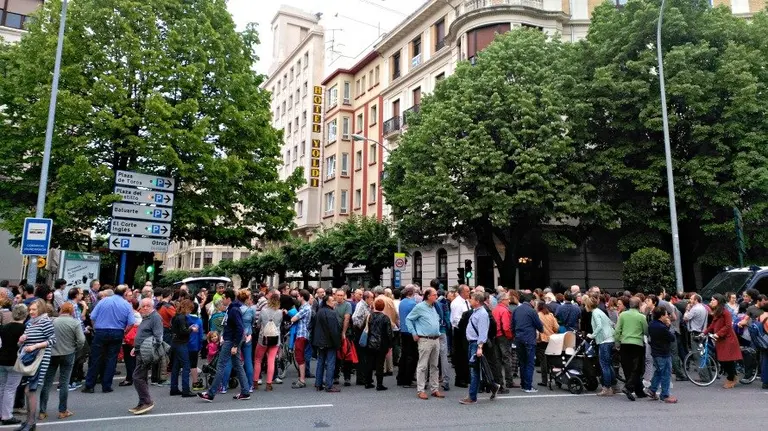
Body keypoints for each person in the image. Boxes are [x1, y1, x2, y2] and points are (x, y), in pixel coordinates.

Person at [198, 289, 250, 401]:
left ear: (228, 298)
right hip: (231, 340)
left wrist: (235, 345)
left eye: (223, 298)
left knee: (220, 365)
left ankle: (211, 393)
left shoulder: (233, 310)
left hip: (231, 341)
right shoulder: (231, 309)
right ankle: (245, 391)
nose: (222, 300)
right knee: (237, 365)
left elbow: (239, 328)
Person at [82, 285, 135, 394]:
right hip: (117, 331)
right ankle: (106, 386)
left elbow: (93, 317)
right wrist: (124, 331)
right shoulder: (126, 305)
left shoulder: (103, 301)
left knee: (96, 358)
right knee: (111, 359)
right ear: (125, 294)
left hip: (101, 331)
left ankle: (89, 385)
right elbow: (131, 323)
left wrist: (96, 328)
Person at [39, 302, 85, 420]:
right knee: (64, 383)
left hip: (52, 353)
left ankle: (42, 411)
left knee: (47, 382)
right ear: (72, 311)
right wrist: (75, 348)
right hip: (68, 353)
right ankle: (62, 410)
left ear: (61, 310)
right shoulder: (75, 323)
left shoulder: (52, 321)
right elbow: (81, 340)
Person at [18, 299, 56, 431]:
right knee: (28, 390)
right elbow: (24, 341)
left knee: (30, 390)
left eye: (34, 309)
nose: (31, 312)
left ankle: (30, 422)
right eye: (30, 309)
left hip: (39, 360)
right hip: (30, 360)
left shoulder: (45, 322)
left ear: (41, 309)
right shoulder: (31, 323)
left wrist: (35, 346)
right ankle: (29, 421)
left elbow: (52, 340)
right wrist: (22, 339)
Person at [405, 287, 443, 400]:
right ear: (428, 296)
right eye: (434, 295)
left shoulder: (433, 307)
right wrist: (413, 333)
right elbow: (408, 319)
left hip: (435, 339)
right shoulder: (419, 307)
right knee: (423, 366)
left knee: (434, 366)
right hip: (425, 339)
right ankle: (420, 390)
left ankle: (434, 388)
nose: (436, 296)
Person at [460, 292, 496, 405]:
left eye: (472, 299)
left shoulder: (482, 314)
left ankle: (472, 397)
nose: (470, 301)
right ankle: (493, 385)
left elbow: (483, 332)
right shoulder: (477, 312)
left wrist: (480, 346)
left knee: (474, 371)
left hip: (476, 344)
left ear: (477, 301)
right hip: (472, 343)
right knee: (476, 369)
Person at [129, 298, 163, 415]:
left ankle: (147, 401)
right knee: (142, 377)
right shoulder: (146, 317)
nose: (145, 308)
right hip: (140, 350)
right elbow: (143, 334)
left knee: (137, 377)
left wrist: (146, 349)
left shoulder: (155, 317)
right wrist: (135, 347)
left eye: (147, 306)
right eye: (143, 306)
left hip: (146, 351)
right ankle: (142, 402)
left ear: (152, 306)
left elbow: (158, 338)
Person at [704, 294, 743, 389]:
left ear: (719, 301)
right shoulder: (717, 312)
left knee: (727, 360)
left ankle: (731, 378)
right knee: (722, 360)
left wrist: (718, 334)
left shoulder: (726, 312)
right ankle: (732, 376)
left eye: (713, 300)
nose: (711, 301)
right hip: (720, 339)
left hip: (728, 339)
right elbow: (712, 325)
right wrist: (704, 332)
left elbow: (728, 326)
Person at [614, 297, 648, 401]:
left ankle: (638, 390)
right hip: (637, 344)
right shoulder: (642, 317)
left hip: (625, 343)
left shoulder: (623, 315)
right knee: (637, 368)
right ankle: (629, 387)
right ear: (639, 305)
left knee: (627, 367)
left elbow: (617, 330)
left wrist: (617, 342)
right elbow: (646, 331)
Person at [0, 305, 28, 425]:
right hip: (15, 361)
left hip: (2, 359)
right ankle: (6, 415)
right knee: (11, 388)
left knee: (2, 387)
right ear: (25, 315)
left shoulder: (4, 327)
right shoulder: (25, 329)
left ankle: (2, 413)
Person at [511, 293, 543, 393]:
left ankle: (523, 384)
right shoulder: (532, 311)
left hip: (518, 338)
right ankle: (528, 386)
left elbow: (512, 325)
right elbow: (539, 326)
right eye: (534, 301)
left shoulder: (516, 310)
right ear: (531, 301)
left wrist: (515, 335)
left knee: (522, 362)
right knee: (529, 363)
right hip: (529, 339)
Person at [645, 306, 678, 403]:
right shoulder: (662, 327)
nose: (667, 316)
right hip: (663, 353)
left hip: (655, 351)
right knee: (666, 374)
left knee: (659, 372)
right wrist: (669, 325)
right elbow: (672, 338)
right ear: (661, 316)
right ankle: (665, 395)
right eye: (666, 314)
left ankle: (652, 389)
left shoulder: (651, 324)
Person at [585, 296, 616, 396]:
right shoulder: (600, 311)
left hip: (604, 341)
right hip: (610, 338)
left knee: (604, 365)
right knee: (609, 364)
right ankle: (612, 385)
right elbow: (611, 323)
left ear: (588, 305)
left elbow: (599, 326)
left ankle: (607, 387)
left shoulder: (594, 313)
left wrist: (592, 335)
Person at [254, 290, 283, 391]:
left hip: (263, 338)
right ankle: (269, 384)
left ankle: (255, 382)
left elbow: (258, 324)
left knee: (258, 360)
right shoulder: (280, 312)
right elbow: (279, 324)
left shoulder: (264, 311)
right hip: (275, 338)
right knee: (271, 360)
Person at [311, 295, 341, 392]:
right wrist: (337, 343)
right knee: (330, 363)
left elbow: (313, 326)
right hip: (329, 342)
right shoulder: (332, 313)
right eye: (332, 300)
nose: (334, 302)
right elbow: (334, 330)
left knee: (320, 362)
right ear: (327, 302)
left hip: (319, 341)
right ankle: (329, 385)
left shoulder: (319, 312)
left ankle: (318, 384)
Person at [170, 299, 197, 397]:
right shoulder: (182, 318)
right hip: (181, 343)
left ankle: (174, 388)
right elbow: (183, 331)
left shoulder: (176, 316)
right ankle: (186, 390)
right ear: (186, 308)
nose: (190, 312)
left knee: (176, 366)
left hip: (175, 343)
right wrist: (191, 329)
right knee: (186, 366)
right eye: (190, 309)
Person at [366, 298, 394, 391]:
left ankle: (368, 382)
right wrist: (390, 344)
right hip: (381, 344)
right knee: (380, 364)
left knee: (369, 363)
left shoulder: (370, 316)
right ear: (383, 307)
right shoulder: (385, 318)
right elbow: (389, 333)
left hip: (370, 342)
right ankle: (379, 384)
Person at [492, 293, 516, 389]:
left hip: (496, 336)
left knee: (497, 359)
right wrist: (510, 336)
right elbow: (506, 327)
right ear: (502, 300)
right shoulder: (504, 311)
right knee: (507, 359)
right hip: (503, 336)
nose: (509, 301)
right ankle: (509, 381)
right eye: (507, 299)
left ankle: (499, 381)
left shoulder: (495, 309)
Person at [289, 290, 312, 389]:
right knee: (300, 356)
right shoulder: (304, 307)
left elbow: (294, 318)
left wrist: (291, 314)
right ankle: (300, 378)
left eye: (298, 296)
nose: (297, 298)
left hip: (301, 334)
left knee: (299, 357)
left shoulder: (305, 308)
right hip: (303, 334)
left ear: (302, 297)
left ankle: (302, 380)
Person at [397, 287, 418, 388]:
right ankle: (408, 379)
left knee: (404, 354)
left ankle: (401, 377)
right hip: (410, 331)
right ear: (412, 293)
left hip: (403, 330)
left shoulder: (402, 302)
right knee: (412, 356)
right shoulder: (412, 304)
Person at [451, 285, 471, 388]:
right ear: (462, 292)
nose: (469, 293)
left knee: (465, 355)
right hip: (460, 330)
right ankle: (460, 378)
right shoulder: (457, 303)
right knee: (460, 355)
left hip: (466, 330)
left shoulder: (466, 301)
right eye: (467, 291)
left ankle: (466, 376)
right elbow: (456, 319)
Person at [352, 291, 374, 386]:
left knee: (364, 356)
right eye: (371, 298)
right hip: (361, 333)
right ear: (366, 298)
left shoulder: (367, 306)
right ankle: (361, 378)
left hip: (364, 332)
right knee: (361, 356)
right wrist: (361, 326)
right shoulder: (361, 305)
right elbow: (355, 318)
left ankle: (364, 376)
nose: (372, 300)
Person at [536, 301, 559, 387]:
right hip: (551, 339)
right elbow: (556, 327)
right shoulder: (551, 315)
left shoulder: (538, 315)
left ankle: (544, 380)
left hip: (542, 340)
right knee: (552, 360)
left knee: (543, 361)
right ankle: (556, 379)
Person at [119, 302, 141, 387]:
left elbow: (129, 324)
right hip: (135, 339)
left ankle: (129, 378)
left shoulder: (130, 314)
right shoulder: (137, 314)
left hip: (128, 339)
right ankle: (134, 377)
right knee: (134, 359)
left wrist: (125, 331)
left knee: (129, 359)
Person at [187, 303, 205, 392]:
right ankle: (195, 382)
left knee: (184, 364)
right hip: (195, 344)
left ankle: (185, 383)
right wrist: (200, 345)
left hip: (185, 343)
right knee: (193, 364)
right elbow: (201, 335)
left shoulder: (185, 318)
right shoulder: (199, 320)